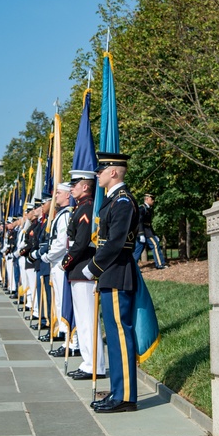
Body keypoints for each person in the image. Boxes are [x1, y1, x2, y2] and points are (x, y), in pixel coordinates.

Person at [84, 152, 141, 413]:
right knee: (115, 339)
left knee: (120, 336)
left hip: (117, 272)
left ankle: (126, 395)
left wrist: (92, 268)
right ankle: (118, 391)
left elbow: (117, 243)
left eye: (101, 170)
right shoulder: (113, 200)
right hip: (110, 273)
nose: (98, 174)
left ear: (114, 172)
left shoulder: (123, 201)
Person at [58, 171, 97, 366]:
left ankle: (94, 365)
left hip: (83, 267)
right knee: (82, 320)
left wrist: (67, 261)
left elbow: (81, 242)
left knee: (87, 320)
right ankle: (88, 362)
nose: (71, 188)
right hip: (78, 269)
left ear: (85, 186)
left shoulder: (87, 208)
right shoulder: (79, 207)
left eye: (75, 184)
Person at [42, 182, 74, 347]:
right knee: (59, 301)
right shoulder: (62, 215)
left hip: (61, 262)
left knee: (63, 300)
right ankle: (63, 334)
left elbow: (62, 243)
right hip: (56, 263)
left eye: (59, 193)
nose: (55, 196)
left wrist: (48, 256)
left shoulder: (66, 215)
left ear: (68, 195)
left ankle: (67, 336)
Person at [132, 194, 167, 269]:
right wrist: (141, 234)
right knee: (155, 244)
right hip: (144, 232)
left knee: (138, 250)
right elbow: (140, 221)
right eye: (152, 199)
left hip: (146, 231)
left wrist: (155, 234)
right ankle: (160, 264)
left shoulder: (148, 209)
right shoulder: (142, 208)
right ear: (147, 199)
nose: (153, 201)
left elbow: (149, 224)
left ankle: (132, 268)